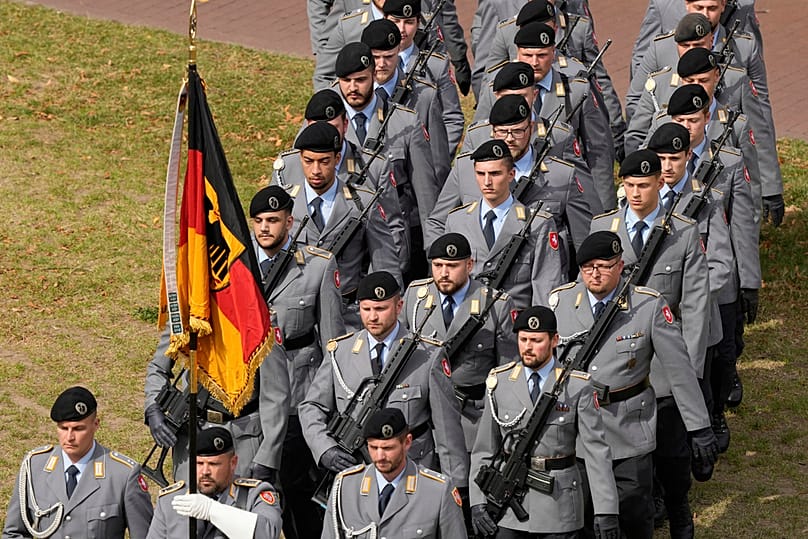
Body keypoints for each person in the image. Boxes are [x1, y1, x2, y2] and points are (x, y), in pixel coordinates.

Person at [549, 231, 717, 539]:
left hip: (628, 427)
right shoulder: (559, 304)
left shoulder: (646, 307)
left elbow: (679, 369)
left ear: (620, 265)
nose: (595, 273)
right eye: (588, 267)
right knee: (582, 516)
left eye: (603, 265)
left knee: (634, 511)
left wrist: (699, 427)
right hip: (579, 432)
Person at [299, 271, 468, 491]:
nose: (372, 317)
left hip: (412, 470)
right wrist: (324, 449)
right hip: (357, 473)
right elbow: (311, 407)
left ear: (399, 307)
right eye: (366, 309)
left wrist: (457, 486)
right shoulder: (340, 352)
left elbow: (447, 428)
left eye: (380, 309)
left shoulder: (427, 355)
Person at [469, 306, 620, 538]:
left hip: (559, 505)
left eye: (536, 340)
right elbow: (484, 450)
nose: (528, 347)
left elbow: (596, 451)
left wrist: (606, 510)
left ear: (554, 340)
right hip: (509, 506)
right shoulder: (500, 382)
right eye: (523, 339)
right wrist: (477, 502)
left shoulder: (576, 386)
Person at [249, 185, 345, 538]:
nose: (264, 228)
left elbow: (332, 341)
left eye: (272, 220)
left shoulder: (317, 265)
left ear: (289, 222)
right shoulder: (237, 264)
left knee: (295, 492)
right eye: (258, 221)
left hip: (296, 393)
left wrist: (322, 401)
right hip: (247, 396)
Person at [276, 120, 402, 328]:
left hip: (348, 315)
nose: (315, 170)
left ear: (337, 159)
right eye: (308, 161)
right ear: (300, 159)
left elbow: (385, 263)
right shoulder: (286, 204)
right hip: (297, 320)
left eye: (324, 161)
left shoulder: (362, 204)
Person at [400, 233, 518, 451]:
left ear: (469, 265)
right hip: (423, 421)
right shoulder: (416, 296)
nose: (444, 273)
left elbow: (506, 373)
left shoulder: (495, 304)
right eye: (438, 265)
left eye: (452, 266)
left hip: (470, 419)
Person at [334, 41, 439, 282]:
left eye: (360, 80)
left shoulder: (404, 122)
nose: (353, 88)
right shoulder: (326, 121)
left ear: (373, 76)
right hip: (343, 248)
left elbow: (425, 193)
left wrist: (432, 251)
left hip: (391, 242)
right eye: (346, 81)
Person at [3, 386, 153, 539]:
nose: (69, 437)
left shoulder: (123, 475)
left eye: (78, 429)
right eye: (63, 428)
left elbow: (146, 536)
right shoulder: (34, 467)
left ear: (96, 425)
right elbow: (13, 533)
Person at [443, 139, 564, 308]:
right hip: (469, 322)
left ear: (511, 175)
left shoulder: (537, 223)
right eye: (480, 174)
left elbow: (546, 285)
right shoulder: (458, 220)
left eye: (495, 174)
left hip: (516, 324)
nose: (487, 182)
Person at [322, 408, 468, 538]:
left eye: (388, 448)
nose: (380, 457)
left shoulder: (437, 491)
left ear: (407, 443)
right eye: (373, 448)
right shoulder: (346, 486)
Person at [147, 427, 282, 539]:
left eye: (213, 464)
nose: (205, 471)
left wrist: (211, 510)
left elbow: (268, 533)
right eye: (199, 463)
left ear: (233, 463)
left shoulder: (254, 495)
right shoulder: (171, 500)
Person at [360, 19, 451, 184]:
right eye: (375, 57)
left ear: (398, 51)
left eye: (388, 57)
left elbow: (439, 164)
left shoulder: (424, 96)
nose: (381, 64)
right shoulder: (345, 95)